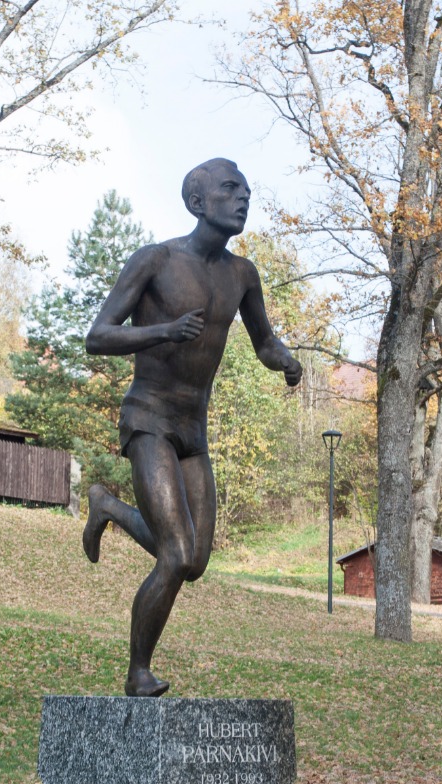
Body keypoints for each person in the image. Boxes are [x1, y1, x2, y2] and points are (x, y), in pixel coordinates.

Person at [82, 157, 302, 697]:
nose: (243, 198)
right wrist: (163, 331)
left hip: (193, 433)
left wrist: (286, 359)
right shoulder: (154, 261)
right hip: (149, 419)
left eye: (247, 191)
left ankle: (108, 508)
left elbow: (263, 340)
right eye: (231, 189)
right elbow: (98, 336)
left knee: (194, 561)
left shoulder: (242, 275)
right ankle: (138, 673)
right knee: (175, 553)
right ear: (198, 202)